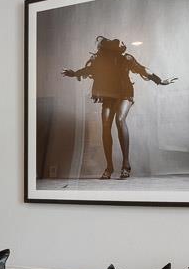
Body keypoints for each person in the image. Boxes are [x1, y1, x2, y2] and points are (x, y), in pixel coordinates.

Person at [61, 36, 177, 180]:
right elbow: (87, 70)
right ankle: (109, 167)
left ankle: (126, 165)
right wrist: (73, 73)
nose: (122, 46)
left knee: (120, 120)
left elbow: (142, 69)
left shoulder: (126, 59)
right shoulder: (100, 61)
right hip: (108, 94)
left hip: (124, 92)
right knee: (105, 125)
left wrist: (159, 81)